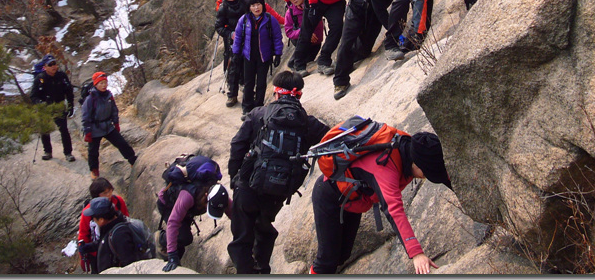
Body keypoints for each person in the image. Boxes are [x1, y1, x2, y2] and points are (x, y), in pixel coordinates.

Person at [227, 71, 329, 274]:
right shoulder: (307, 122)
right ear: (298, 94)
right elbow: (331, 138)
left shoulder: (258, 114)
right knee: (264, 229)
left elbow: (237, 144)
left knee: (242, 237)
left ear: (276, 93)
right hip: (279, 189)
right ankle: (263, 269)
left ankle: (245, 272)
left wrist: (234, 177)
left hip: (248, 185)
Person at [311, 131, 453, 274]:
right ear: (416, 164)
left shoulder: (415, 147)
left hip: (352, 200)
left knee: (342, 255)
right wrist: (416, 253)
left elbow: (443, 173)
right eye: (426, 174)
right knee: (327, 262)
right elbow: (394, 210)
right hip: (330, 196)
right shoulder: (385, 167)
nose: (426, 177)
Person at [332, 0, 394, 99]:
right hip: (357, 8)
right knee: (346, 42)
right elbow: (381, 12)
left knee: (364, 51)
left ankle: (350, 59)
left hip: (372, 11)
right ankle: (340, 81)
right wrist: (395, 33)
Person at [160, 180, 232, 272]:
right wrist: (172, 255)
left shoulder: (220, 197)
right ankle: (161, 238)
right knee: (184, 238)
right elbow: (173, 222)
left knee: (181, 244)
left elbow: (235, 215)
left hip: (186, 212)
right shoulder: (187, 196)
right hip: (168, 205)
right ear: (206, 196)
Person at [232, 0, 284, 118]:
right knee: (248, 82)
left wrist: (278, 54)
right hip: (248, 56)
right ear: (249, 7)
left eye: (258, 4)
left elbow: (277, 37)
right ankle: (247, 108)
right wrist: (235, 53)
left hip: (264, 57)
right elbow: (238, 37)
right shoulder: (244, 20)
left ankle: (259, 107)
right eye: (253, 5)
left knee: (261, 83)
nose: (256, 8)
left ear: (263, 5)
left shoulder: (270, 19)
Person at [81, 72, 137, 179]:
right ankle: (94, 170)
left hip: (107, 125)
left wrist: (115, 123)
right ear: (95, 84)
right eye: (101, 83)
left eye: (105, 83)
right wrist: (87, 131)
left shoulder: (109, 95)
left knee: (122, 143)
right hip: (95, 128)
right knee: (93, 151)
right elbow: (85, 116)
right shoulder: (90, 99)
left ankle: (132, 159)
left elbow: (114, 110)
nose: (104, 85)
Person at [77, 178, 129, 274]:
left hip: (116, 247)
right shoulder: (89, 212)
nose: (109, 195)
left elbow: (126, 219)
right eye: (105, 193)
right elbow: (83, 233)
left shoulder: (118, 201)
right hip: (96, 252)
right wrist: (84, 258)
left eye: (110, 191)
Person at [30, 54, 75, 162]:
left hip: (59, 106)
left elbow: (69, 91)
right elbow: (33, 96)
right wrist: (41, 103)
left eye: (54, 64)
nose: (53, 66)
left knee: (64, 130)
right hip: (45, 108)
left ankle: (68, 153)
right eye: (50, 65)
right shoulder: (40, 78)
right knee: (45, 130)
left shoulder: (62, 76)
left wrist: (70, 105)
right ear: (45, 67)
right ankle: (48, 151)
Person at [82, 197, 140, 272]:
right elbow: (106, 243)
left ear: (101, 220)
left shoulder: (120, 235)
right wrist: (89, 247)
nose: (93, 220)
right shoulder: (110, 226)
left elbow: (129, 264)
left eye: (94, 218)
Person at [215, 0, 248, 108]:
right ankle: (232, 95)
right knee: (234, 67)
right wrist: (230, 34)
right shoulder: (223, 8)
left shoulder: (246, 0)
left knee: (248, 64)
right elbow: (218, 26)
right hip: (234, 40)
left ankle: (247, 88)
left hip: (250, 37)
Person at [282, 0, 323, 68]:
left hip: (316, 42)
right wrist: (305, 33)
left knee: (308, 60)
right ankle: (294, 63)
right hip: (301, 40)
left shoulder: (313, 4)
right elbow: (288, 32)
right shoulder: (290, 12)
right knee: (301, 62)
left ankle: (294, 62)